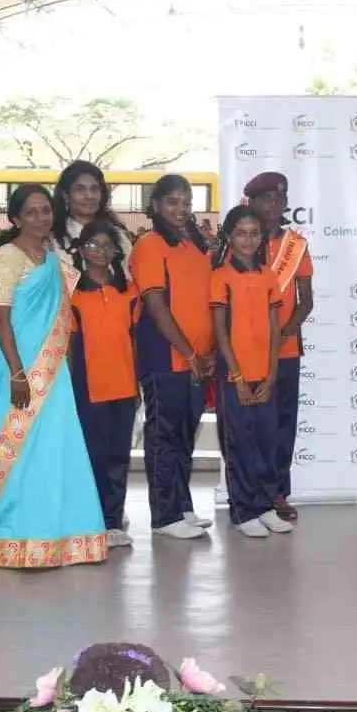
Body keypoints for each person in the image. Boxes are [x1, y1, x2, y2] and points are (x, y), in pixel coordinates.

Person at [0, 185, 107, 569]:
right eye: (31, 212)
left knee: (54, 447)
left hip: (52, 370)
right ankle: (16, 535)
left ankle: (63, 536)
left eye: (46, 210)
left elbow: (63, 319)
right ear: (15, 218)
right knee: (19, 449)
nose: (41, 218)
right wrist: (17, 372)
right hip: (15, 367)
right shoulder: (6, 257)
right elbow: (1, 318)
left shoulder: (54, 259)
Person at [129, 174, 216, 540]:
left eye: (186, 202)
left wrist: (206, 352)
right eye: (172, 202)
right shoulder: (150, 245)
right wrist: (188, 352)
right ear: (156, 205)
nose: (181, 209)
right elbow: (155, 304)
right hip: (166, 356)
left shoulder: (195, 245)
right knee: (164, 434)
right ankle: (164, 516)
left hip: (199, 358)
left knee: (184, 434)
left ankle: (181, 505)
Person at [211, 205, 289, 538]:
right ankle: (243, 510)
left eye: (254, 233)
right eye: (241, 233)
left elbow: (275, 329)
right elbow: (220, 332)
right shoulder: (221, 277)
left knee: (267, 440)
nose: (248, 240)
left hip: (264, 374)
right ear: (230, 237)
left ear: (262, 238)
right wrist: (238, 377)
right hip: (235, 377)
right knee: (240, 443)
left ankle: (266, 505)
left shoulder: (269, 275)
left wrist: (271, 375)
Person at [70, 220, 141, 549]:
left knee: (118, 456)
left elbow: (134, 340)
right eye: (93, 245)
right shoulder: (72, 294)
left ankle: (112, 520)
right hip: (88, 387)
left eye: (107, 246)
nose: (100, 251)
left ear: (116, 252)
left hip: (124, 385)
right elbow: (69, 345)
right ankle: (90, 519)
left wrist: (137, 384)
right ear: (82, 251)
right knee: (92, 455)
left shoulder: (129, 292)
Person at [247, 171, 313, 521]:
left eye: (279, 199)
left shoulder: (296, 245)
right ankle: (249, 493)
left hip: (285, 350)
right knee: (251, 425)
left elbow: (306, 302)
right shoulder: (241, 242)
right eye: (266, 199)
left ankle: (277, 493)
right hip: (246, 351)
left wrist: (281, 336)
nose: (273, 205)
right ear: (253, 203)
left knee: (282, 425)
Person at [53, 160, 135, 276]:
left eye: (94, 189)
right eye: (80, 189)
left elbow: (130, 277)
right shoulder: (53, 241)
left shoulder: (119, 236)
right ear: (65, 195)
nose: (89, 196)